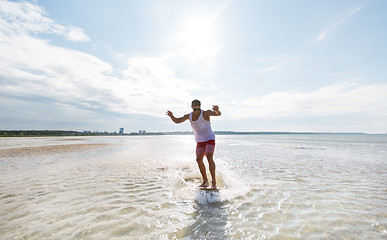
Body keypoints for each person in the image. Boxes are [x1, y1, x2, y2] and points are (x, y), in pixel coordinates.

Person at [166, 99, 222, 189]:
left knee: (209, 156)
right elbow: (177, 121)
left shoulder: (205, 113)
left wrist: (217, 110)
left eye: (198, 109)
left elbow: (218, 114)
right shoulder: (189, 116)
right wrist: (171, 116)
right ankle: (205, 181)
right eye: (195, 110)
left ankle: (214, 183)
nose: (196, 111)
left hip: (209, 138)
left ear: (200, 107)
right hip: (200, 140)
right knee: (198, 159)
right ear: (192, 107)